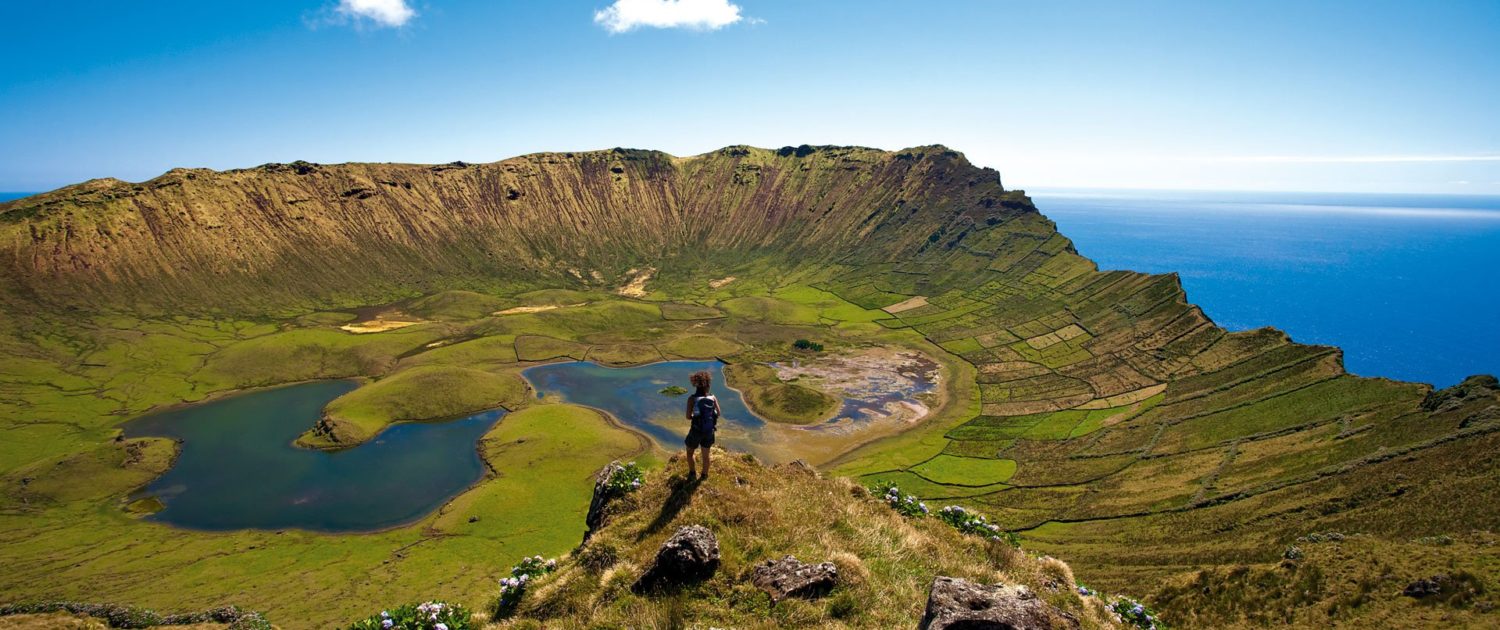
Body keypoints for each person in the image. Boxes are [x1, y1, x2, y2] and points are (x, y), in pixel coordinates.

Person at [684, 369, 721, 480]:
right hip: (709, 431)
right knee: (706, 455)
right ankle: (704, 476)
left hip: (696, 430)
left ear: (695, 384)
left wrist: (694, 417)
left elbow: (687, 417)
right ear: (708, 384)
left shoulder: (692, 399)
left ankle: (692, 473)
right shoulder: (713, 398)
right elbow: (718, 413)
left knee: (690, 452)